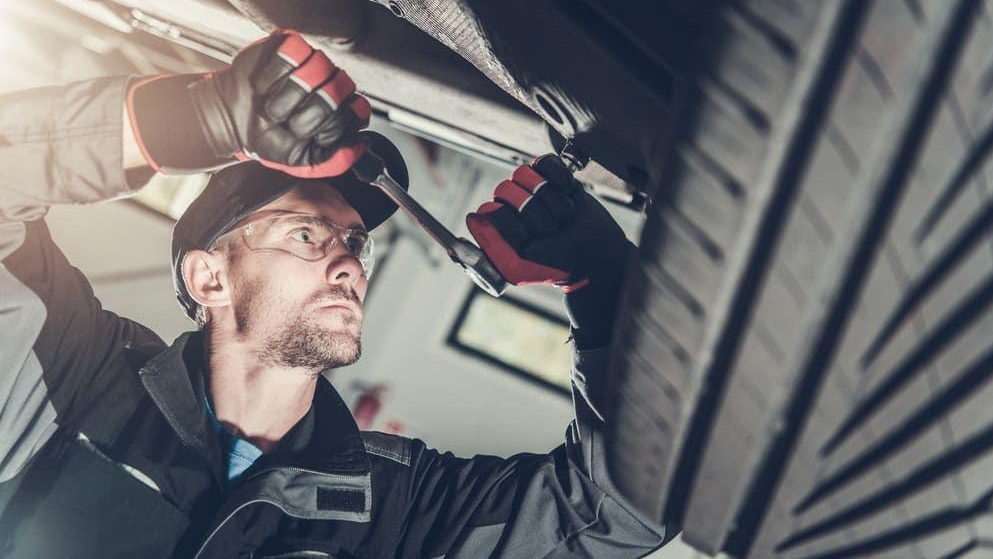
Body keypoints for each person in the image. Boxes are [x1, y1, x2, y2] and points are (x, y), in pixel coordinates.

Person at [0, 30, 669, 557]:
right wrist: (194, 117)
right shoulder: (76, 375)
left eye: (355, 242)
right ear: (209, 278)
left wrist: (608, 289)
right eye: (307, 234)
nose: (349, 263)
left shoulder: (396, 509)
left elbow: (621, 511)